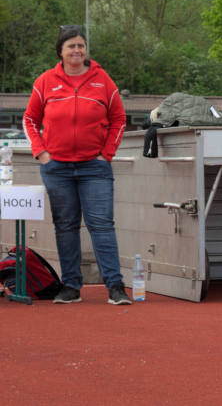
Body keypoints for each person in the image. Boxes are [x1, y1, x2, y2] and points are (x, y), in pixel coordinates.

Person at [23, 25, 131, 305]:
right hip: (56, 167)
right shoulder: (45, 81)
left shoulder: (103, 80)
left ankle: (115, 287)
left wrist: (106, 154)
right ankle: (70, 286)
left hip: (94, 168)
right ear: (60, 50)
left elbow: (119, 118)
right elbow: (30, 119)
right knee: (66, 226)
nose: (77, 50)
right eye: (71, 46)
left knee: (102, 225)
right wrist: (41, 153)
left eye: (81, 45)